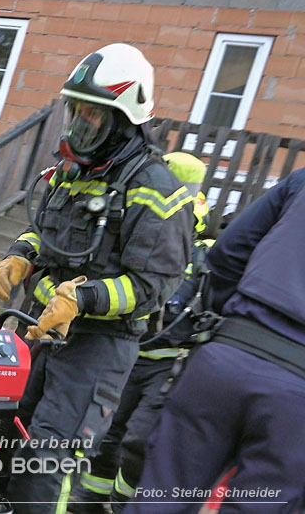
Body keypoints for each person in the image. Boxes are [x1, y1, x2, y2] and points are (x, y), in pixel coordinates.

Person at [0, 43, 193, 514]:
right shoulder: (74, 172)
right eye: (75, 111)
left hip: (96, 351)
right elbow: (44, 231)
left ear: (124, 119)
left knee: (46, 465)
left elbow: (152, 286)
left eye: (92, 114)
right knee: (0, 437)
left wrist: (85, 299)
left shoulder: (158, 193)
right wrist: (20, 256)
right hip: (39, 332)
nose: (79, 123)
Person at [127, 168, 305, 514]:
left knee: (161, 497)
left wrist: (237, 318)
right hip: (295, 396)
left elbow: (228, 252)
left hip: (225, 359)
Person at [68, 152, 212, 514]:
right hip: (129, 351)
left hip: (170, 366)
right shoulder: (140, 220)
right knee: (106, 433)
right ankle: (91, 498)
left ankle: (122, 505)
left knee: (139, 439)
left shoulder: (204, 251)